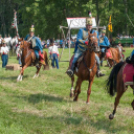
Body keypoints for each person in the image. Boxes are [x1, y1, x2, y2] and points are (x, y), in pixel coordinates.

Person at [67, 11, 105, 77]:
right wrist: (85, 42)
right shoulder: (81, 30)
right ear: (86, 25)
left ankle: (98, 71)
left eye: (90, 25)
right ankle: (71, 70)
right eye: (88, 25)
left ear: (92, 26)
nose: (89, 26)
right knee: (75, 58)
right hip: (82, 49)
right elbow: (78, 39)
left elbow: (97, 40)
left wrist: (97, 45)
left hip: (91, 50)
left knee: (98, 59)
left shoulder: (95, 32)